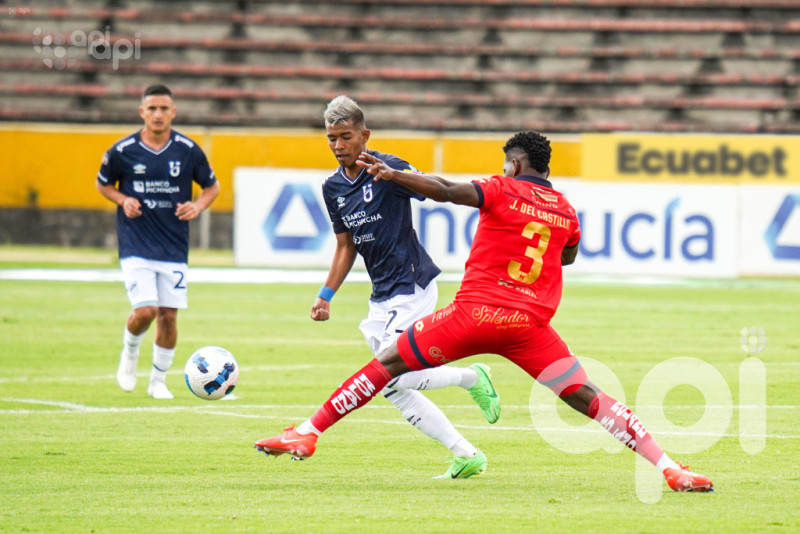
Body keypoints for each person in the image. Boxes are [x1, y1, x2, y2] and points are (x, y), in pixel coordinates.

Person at [255, 131, 714, 493]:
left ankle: (308, 432)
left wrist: (396, 177)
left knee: (387, 363)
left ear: (514, 164)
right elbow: (566, 257)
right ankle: (670, 468)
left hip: (473, 316)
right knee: (587, 396)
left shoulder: (500, 187)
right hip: (528, 328)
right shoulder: (566, 211)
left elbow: (443, 189)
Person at [294, 95, 500, 479]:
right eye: (331, 139)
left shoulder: (387, 166)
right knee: (390, 386)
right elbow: (345, 244)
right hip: (382, 296)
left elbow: (433, 187)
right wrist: (326, 295)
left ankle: (471, 378)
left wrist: (394, 174)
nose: (338, 146)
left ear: (364, 135)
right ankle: (465, 452)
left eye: (345, 136)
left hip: (413, 285)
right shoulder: (332, 188)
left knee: (392, 375)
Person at [96, 84, 219, 400]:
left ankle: (157, 381)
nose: (158, 114)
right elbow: (103, 184)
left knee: (168, 315)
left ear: (173, 112)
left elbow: (211, 186)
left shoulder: (187, 150)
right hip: (135, 242)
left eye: (164, 108)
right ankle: (130, 350)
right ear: (142, 112)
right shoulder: (123, 151)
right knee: (147, 310)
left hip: (174, 245)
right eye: (152, 108)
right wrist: (123, 200)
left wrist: (198, 206)